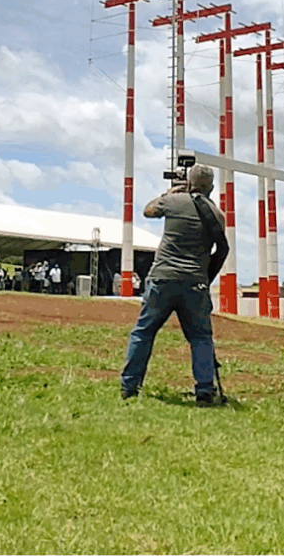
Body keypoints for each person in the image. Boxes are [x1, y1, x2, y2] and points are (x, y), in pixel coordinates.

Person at [120, 164, 230, 405]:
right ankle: (204, 389)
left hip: (163, 277)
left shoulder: (173, 201)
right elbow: (221, 250)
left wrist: (169, 193)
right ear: (211, 187)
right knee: (200, 337)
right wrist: (205, 277)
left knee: (144, 331)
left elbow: (148, 211)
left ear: (189, 183)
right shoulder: (217, 214)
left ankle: (129, 386)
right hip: (195, 282)